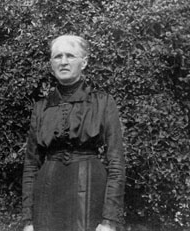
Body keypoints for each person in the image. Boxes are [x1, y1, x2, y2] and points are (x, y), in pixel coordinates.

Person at [22, 35, 126, 231]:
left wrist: (109, 220)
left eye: (70, 56)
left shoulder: (102, 102)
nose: (63, 62)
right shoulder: (41, 107)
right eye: (57, 57)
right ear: (51, 64)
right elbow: (31, 165)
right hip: (47, 195)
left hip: (89, 195)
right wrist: (28, 220)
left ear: (84, 62)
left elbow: (116, 163)